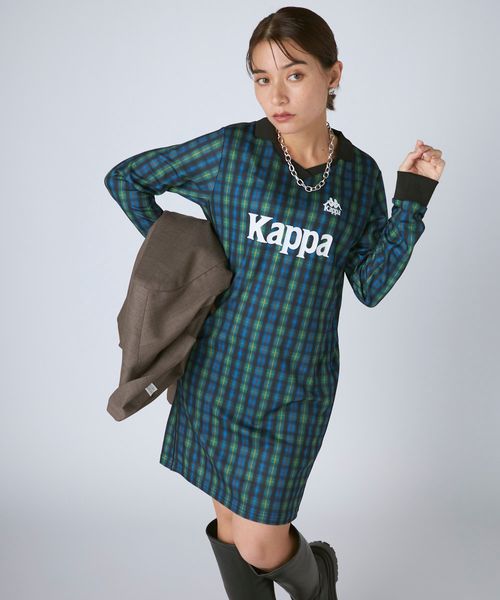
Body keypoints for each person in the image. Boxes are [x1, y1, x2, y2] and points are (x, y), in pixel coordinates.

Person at [103, 6, 445, 599]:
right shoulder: (233, 152)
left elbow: (370, 284)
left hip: (296, 386)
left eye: (294, 74)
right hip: (219, 371)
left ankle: (319, 582)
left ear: (333, 74)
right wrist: (190, 260)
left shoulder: (359, 176)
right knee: (232, 527)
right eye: (262, 78)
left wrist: (412, 200)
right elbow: (126, 177)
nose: (276, 95)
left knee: (263, 540)